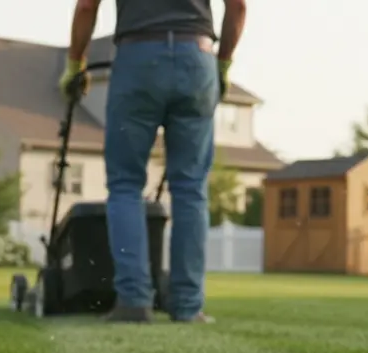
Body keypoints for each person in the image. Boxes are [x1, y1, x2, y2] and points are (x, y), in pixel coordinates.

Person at [61, 0, 247, 324]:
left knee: (125, 185)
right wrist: (223, 64)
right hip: (197, 58)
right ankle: (188, 306)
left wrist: (75, 63)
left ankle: (133, 300)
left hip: (138, 59)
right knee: (190, 188)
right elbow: (239, 6)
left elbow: (87, 6)